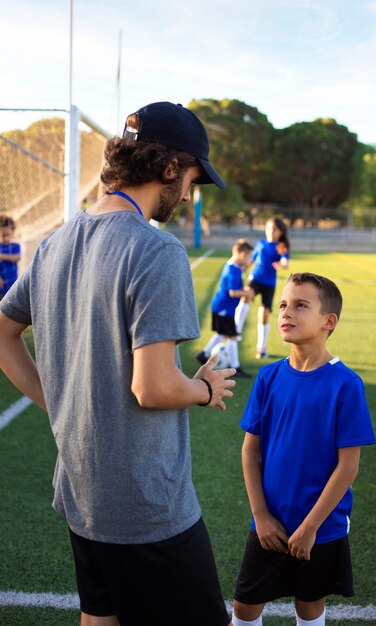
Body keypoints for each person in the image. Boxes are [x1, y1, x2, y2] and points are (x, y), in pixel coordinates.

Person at [0, 101, 236, 626]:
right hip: (145, 505)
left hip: (83, 492)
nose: (189, 194)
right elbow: (152, 387)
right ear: (170, 167)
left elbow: (3, 332)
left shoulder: (55, 244)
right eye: (193, 178)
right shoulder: (157, 252)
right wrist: (203, 389)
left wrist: (56, 400)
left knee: (100, 616)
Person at [232, 272, 376, 626]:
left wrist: (311, 526)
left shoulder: (346, 385)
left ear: (329, 321)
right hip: (269, 523)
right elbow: (251, 452)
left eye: (300, 305)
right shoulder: (269, 378)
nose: (285, 312)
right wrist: (261, 516)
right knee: (244, 606)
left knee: (309, 606)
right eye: (282, 304)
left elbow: (348, 468)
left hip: (321, 528)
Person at [196, 239, 254, 378]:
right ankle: (235, 367)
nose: (250, 260)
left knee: (222, 333)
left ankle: (203, 354)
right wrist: (247, 293)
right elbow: (232, 292)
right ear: (241, 255)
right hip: (224, 308)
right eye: (249, 257)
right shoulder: (233, 271)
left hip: (221, 306)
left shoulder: (232, 264)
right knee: (233, 336)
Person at [234, 217, 290, 359]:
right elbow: (251, 260)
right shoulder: (260, 244)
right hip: (255, 279)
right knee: (246, 295)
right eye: (268, 228)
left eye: (274, 229)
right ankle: (236, 329)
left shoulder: (281, 245)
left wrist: (282, 265)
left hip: (269, 284)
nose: (270, 231)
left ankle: (262, 348)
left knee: (264, 316)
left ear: (280, 232)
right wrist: (241, 268)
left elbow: (285, 261)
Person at [0, 215, 21, 301]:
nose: (5, 238)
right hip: (1, 287)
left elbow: (16, 258)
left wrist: (1, 256)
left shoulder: (15, 246)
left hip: (12, 286)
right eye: (3, 235)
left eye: (7, 235)